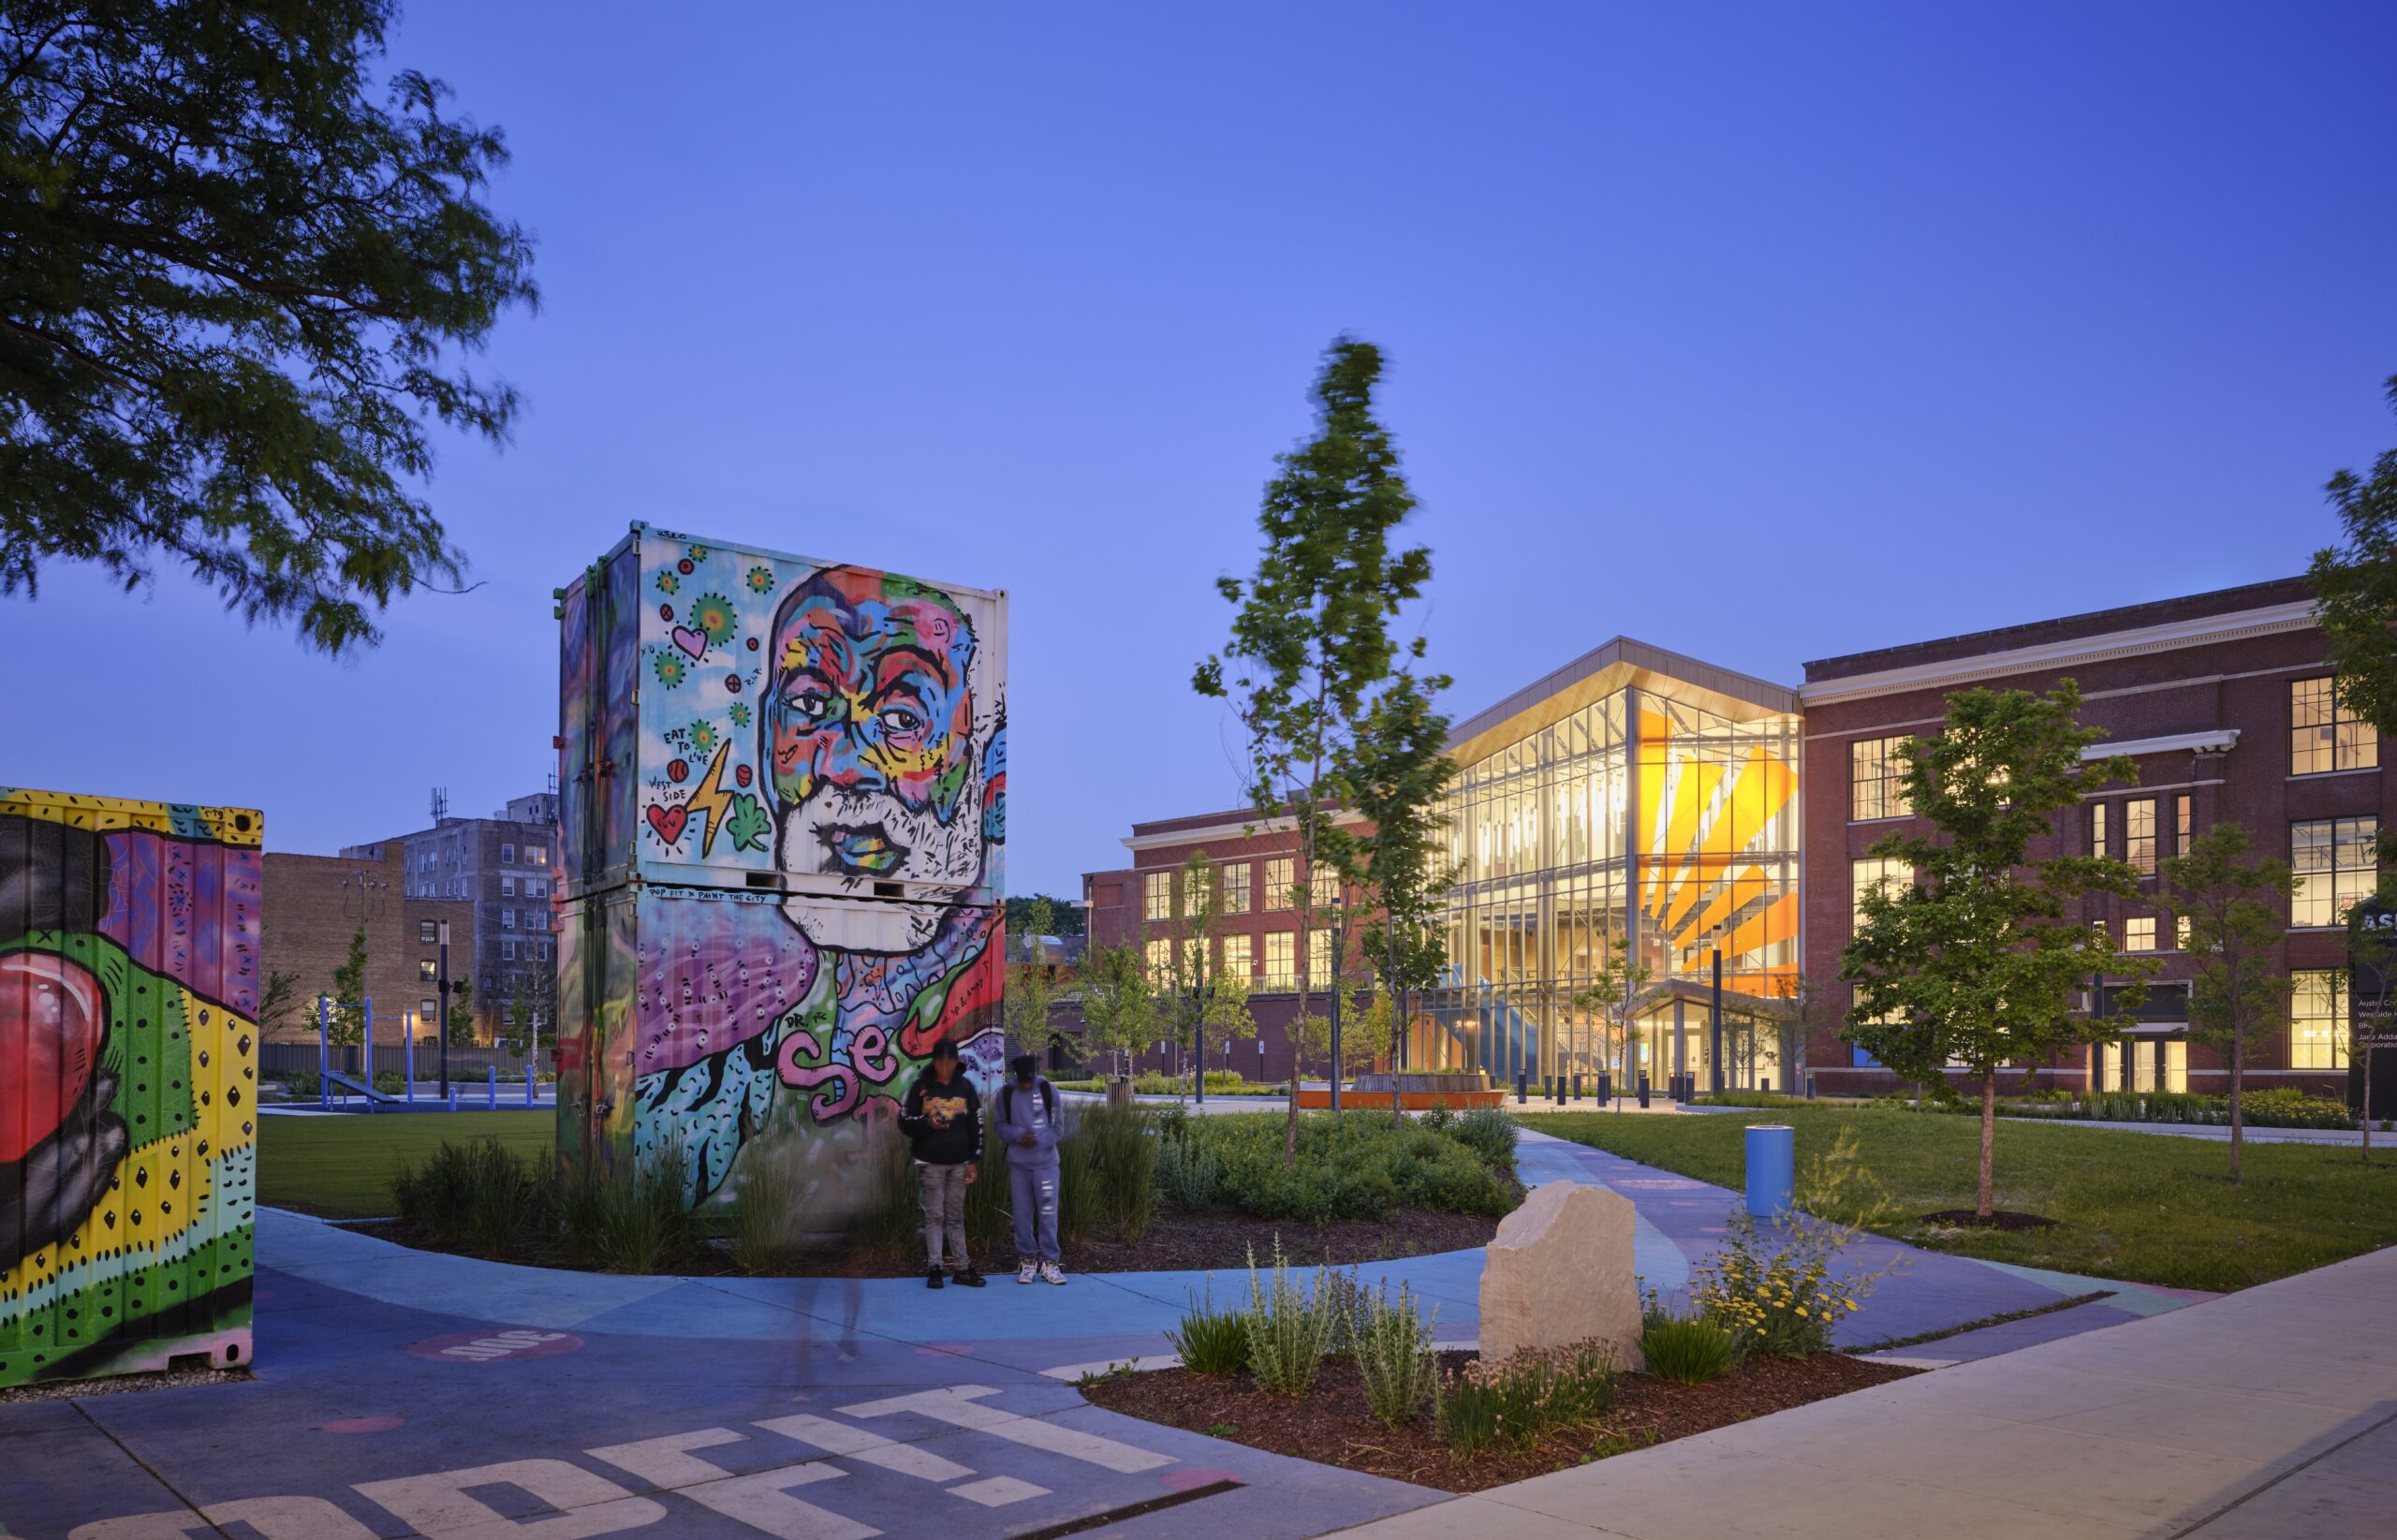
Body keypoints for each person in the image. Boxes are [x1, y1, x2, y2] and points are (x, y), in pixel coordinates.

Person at [897, 1038, 984, 1288]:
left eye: (950, 1061)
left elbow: (976, 1124)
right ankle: (935, 1267)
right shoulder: (921, 1088)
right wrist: (927, 1123)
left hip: (959, 1163)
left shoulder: (965, 1087)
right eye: (940, 1061)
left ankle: (962, 1267)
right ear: (934, 1062)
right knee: (934, 1215)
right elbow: (904, 1121)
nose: (945, 1066)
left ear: (956, 1062)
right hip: (930, 1162)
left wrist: (974, 1159)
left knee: (956, 1217)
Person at [994, 1052, 1066, 1284]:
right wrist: (1018, 1135)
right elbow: (1000, 1125)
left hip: (1046, 1165)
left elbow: (1058, 1129)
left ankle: (1051, 1263)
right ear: (1016, 1075)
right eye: (1022, 1079)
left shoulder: (1048, 1090)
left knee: (1048, 1215)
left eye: (1029, 1078)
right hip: (1018, 1166)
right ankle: (1027, 1261)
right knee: (1022, 1215)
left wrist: (1038, 1139)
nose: (1026, 1083)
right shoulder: (1006, 1093)